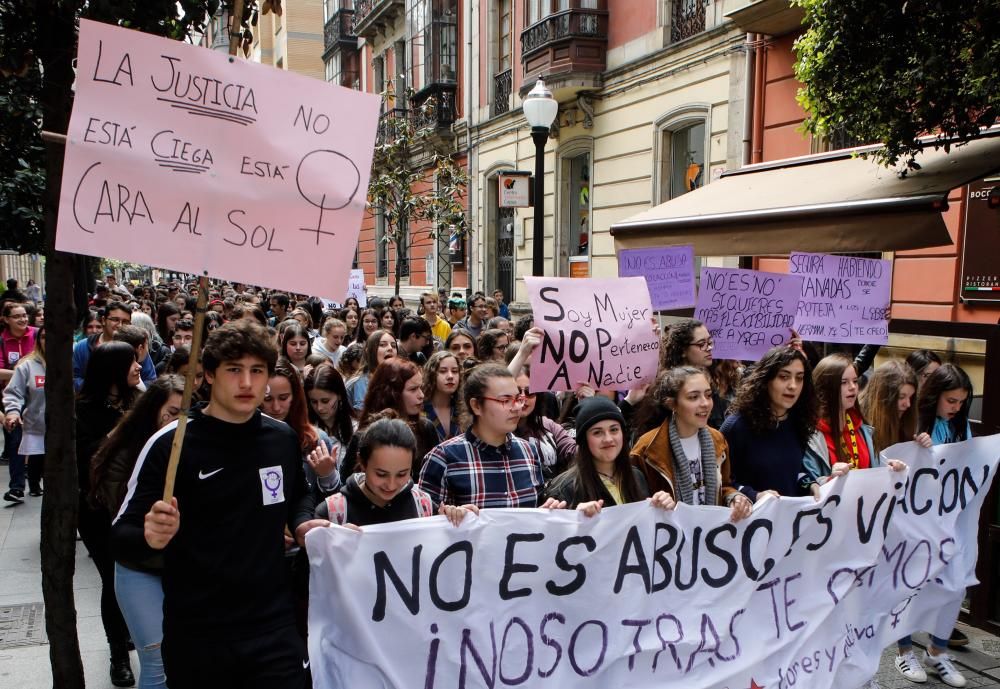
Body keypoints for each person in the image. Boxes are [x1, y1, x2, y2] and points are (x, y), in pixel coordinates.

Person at [112, 320, 313, 689]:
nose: (247, 383)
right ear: (207, 374)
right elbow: (121, 534)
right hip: (199, 633)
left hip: (273, 626)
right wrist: (149, 536)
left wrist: (301, 523)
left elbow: (299, 495)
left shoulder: (281, 439)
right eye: (234, 370)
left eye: (258, 371)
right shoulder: (170, 445)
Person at [91, 376, 184, 689]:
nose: (178, 424)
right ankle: (119, 653)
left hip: (182, 569)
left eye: (186, 414)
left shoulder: (192, 450)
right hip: (140, 568)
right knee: (158, 665)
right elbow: (120, 521)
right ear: (152, 411)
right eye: (172, 413)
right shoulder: (127, 451)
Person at [889, 363, 975, 686]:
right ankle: (904, 651)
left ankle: (937, 651)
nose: (956, 408)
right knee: (909, 584)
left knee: (955, 583)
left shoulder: (959, 425)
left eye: (961, 402)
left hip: (947, 519)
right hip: (914, 521)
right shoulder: (914, 421)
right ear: (935, 396)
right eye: (951, 401)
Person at [78, 341, 143, 687]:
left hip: (135, 506)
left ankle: (133, 633)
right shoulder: (83, 410)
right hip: (98, 510)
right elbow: (85, 457)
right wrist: (122, 428)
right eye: (131, 362)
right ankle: (118, 653)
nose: (138, 367)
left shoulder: (138, 400)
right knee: (112, 579)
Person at [419, 363, 562, 509]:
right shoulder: (442, 458)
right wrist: (449, 516)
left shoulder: (529, 452)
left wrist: (547, 511)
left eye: (518, 398)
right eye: (505, 401)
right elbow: (424, 521)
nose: (517, 407)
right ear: (476, 406)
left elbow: (533, 513)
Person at [627, 366, 751, 521]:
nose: (705, 403)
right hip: (671, 539)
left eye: (708, 395)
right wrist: (656, 502)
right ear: (672, 404)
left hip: (709, 536)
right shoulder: (647, 448)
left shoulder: (717, 439)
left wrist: (734, 497)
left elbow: (724, 485)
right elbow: (635, 504)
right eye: (693, 397)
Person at [315, 415, 461, 527]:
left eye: (402, 474)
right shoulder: (333, 513)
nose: (391, 485)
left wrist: (454, 519)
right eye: (381, 474)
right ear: (363, 463)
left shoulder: (425, 508)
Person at [720, 346, 818, 501]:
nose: (793, 385)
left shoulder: (799, 422)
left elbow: (795, 471)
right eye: (784, 377)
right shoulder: (736, 426)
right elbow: (722, 483)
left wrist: (812, 485)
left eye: (799, 378)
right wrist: (756, 495)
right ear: (766, 380)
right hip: (750, 521)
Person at [545, 396, 650, 510]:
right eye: (597, 432)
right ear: (583, 440)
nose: (608, 439)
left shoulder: (637, 477)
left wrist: (661, 508)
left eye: (614, 430)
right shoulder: (564, 490)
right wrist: (577, 520)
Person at [344, 357, 438, 480]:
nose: (421, 395)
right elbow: (348, 483)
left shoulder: (426, 429)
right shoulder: (363, 437)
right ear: (392, 394)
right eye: (413, 389)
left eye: (421, 387)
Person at [802, 354, 879, 492]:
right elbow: (807, 483)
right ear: (826, 387)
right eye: (844, 382)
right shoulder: (810, 434)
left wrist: (890, 470)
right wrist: (830, 479)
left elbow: (873, 470)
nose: (853, 387)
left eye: (855, 381)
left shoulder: (863, 428)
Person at [3, 326, 45, 502]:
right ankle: (24, 486)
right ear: (38, 340)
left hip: (64, 429)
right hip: (33, 423)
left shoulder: (71, 363)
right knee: (31, 453)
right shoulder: (27, 366)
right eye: (44, 337)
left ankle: (36, 484)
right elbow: (14, 392)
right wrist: (12, 412)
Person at [303, 363, 355, 465]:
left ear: (339, 395)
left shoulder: (355, 428)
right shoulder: (306, 430)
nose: (319, 408)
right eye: (314, 401)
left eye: (325, 401)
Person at [345, 329, 397, 411]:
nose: (390, 348)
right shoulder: (360, 382)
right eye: (383, 345)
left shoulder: (396, 379)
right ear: (370, 351)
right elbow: (363, 419)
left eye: (394, 346)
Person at [423, 351, 462, 443]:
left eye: (455, 371)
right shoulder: (420, 408)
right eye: (443, 371)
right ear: (431, 375)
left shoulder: (463, 409)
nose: (450, 376)